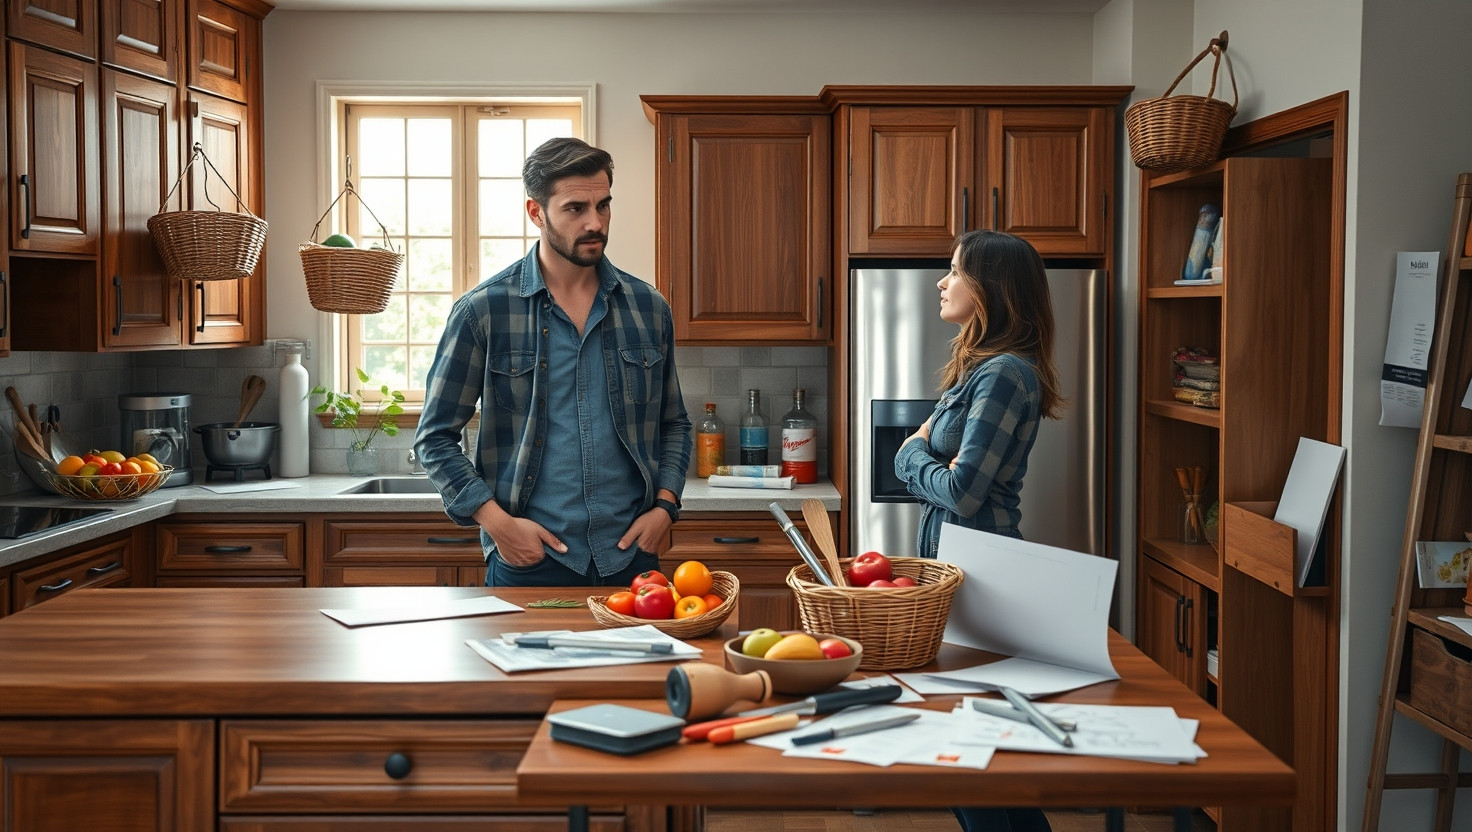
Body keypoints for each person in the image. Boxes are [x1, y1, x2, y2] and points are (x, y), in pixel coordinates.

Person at [415, 137, 691, 588]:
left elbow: (674, 423)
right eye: (575, 208)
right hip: (529, 559)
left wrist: (665, 508)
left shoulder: (648, 307)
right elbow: (435, 438)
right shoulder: (484, 311)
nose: (595, 222)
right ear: (535, 212)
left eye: (603, 206)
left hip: (633, 560)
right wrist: (499, 526)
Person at [894, 229, 1063, 832]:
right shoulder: (981, 371)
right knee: (976, 757)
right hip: (960, 572)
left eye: (956, 272)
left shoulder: (1005, 376)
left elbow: (962, 491)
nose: (942, 282)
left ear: (990, 290)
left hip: (983, 575)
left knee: (973, 755)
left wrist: (909, 456)